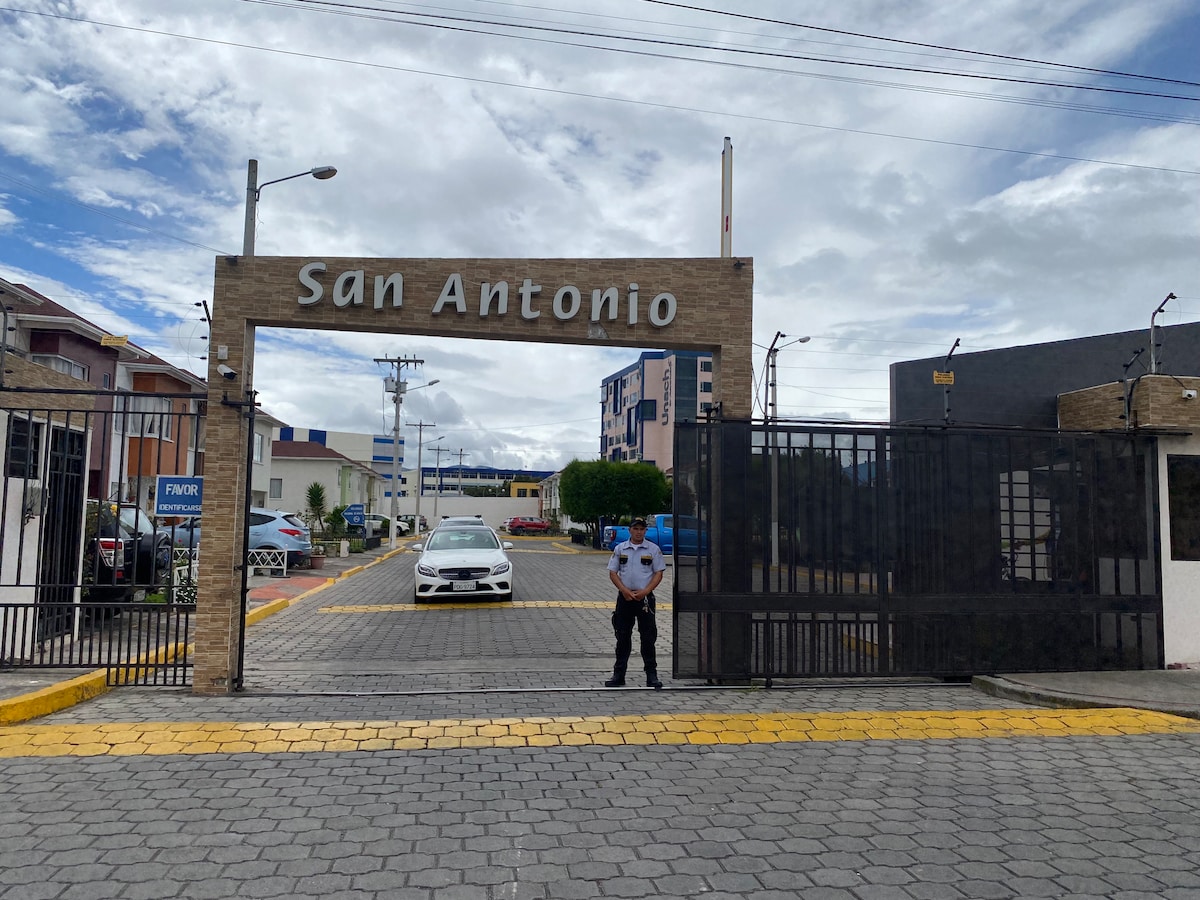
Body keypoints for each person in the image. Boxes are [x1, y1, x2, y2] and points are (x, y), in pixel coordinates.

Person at [604, 516, 667, 689]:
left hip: (644, 598)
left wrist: (645, 591)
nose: (639, 532)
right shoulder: (620, 548)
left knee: (648, 638)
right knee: (622, 637)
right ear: (630, 530)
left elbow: (658, 573)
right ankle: (619, 675)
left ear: (645, 531)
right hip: (625, 598)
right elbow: (613, 573)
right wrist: (624, 591)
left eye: (642, 529)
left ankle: (651, 676)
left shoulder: (653, 549)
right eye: (636, 529)